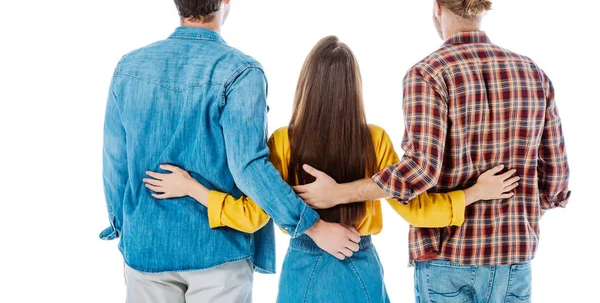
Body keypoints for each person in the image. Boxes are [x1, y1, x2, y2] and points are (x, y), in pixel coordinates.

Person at [145, 36, 519, 302]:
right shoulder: (374, 139)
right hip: (361, 265)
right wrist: (475, 192)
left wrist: (193, 188)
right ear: (354, 88)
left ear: (307, 85)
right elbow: (418, 210)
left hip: (302, 266)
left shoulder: (283, 142)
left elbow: (251, 216)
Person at [99, 0, 361, 303]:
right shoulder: (240, 73)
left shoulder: (128, 68)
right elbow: (249, 168)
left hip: (146, 248)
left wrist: (122, 225)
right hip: (218, 252)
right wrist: (311, 225)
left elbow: (115, 161)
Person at [294, 0, 571, 302]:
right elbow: (557, 183)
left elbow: (420, 172)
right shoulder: (534, 74)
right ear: (481, 8)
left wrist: (339, 193)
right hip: (515, 261)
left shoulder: (428, 74)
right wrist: (520, 213)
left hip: (447, 259)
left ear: (437, 8)